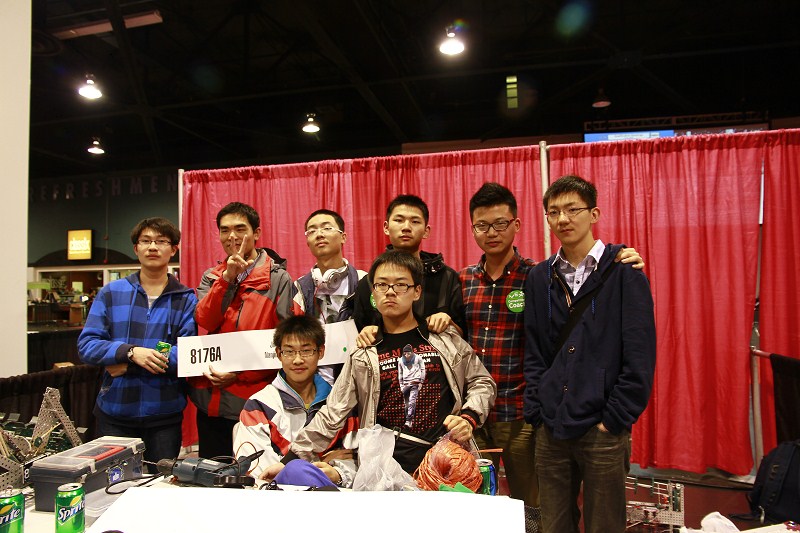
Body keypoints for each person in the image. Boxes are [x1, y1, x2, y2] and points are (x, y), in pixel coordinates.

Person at [460, 183, 645, 510]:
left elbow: (545, 348)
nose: (492, 232)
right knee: (472, 507)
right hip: (473, 416)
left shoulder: (539, 277)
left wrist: (536, 409)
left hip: (520, 415)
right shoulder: (461, 281)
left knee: (534, 509)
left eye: (500, 223)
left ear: (516, 225)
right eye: (482, 225)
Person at [263, 250, 496, 479]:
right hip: (384, 473)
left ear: (416, 291)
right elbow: (332, 414)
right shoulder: (363, 354)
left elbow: (483, 382)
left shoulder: (444, 340)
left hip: (445, 466)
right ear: (373, 292)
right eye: (382, 285)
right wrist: (289, 461)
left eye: (401, 285)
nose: (390, 292)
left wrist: (469, 417)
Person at [523, 175, 656, 533]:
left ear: (594, 214)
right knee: (553, 525)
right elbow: (534, 351)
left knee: (605, 526)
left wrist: (614, 418)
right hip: (551, 426)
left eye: (572, 209)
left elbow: (640, 356)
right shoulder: (539, 277)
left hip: (603, 428)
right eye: (554, 212)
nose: (563, 219)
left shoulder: (624, 272)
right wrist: (537, 410)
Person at [78, 217, 197, 471]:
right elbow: (87, 344)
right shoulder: (111, 293)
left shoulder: (185, 298)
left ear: (173, 249)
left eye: (161, 241)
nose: (152, 247)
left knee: (161, 484)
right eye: (146, 241)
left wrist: (129, 364)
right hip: (115, 412)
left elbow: (187, 354)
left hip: (164, 415)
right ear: (136, 248)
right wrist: (130, 352)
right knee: (112, 485)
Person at [190, 201, 294, 459]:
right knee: (212, 475)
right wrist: (226, 279)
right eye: (225, 230)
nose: (232, 236)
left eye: (240, 229)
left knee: (254, 476)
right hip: (210, 402)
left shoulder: (277, 279)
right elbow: (205, 319)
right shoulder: (212, 276)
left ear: (256, 233)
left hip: (255, 403)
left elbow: (286, 341)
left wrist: (238, 372)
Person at [233, 315, 357, 483]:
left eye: (306, 351)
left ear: (321, 352)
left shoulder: (340, 404)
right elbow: (262, 474)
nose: (298, 360)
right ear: (278, 354)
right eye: (289, 352)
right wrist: (322, 463)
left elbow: (356, 463)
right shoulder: (259, 406)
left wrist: (338, 474)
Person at [351, 194, 465, 345]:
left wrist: (448, 322)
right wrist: (365, 332)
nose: (406, 227)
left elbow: (464, 334)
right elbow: (357, 333)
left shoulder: (447, 277)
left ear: (426, 231)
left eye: (415, 221)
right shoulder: (368, 282)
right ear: (386, 227)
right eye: (399, 220)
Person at [291, 209, 367, 381]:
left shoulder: (364, 281)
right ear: (307, 242)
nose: (319, 234)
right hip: (316, 382)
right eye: (312, 231)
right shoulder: (299, 288)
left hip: (358, 376)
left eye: (326, 228)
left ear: (343, 237)